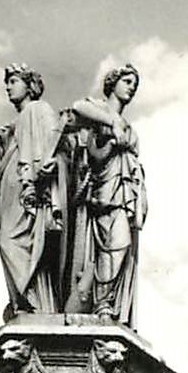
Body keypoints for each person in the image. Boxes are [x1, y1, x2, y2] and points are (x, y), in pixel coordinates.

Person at [66, 64, 147, 325]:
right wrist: (112, 122)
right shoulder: (99, 110)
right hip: (104, 193)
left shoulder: (130, 127)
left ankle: (108, 304)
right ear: (113, 83)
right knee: (109, 248)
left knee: (121, 249)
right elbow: (78, 107)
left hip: (125, 194)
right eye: (126, 81)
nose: (131, 87)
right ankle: (102, 304)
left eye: (134, 83)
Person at [0, 65, 66, 319]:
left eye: (13, 81)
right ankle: (26, 302)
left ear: (29, 85)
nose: (8, 87)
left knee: (11, 243)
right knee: (13, 243)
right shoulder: (16, 123)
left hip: (30, 193)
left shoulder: (39, 110)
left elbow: (54, 150)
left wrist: (40, 180)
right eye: (7, 82)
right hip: (13, 195)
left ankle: (33, 302)